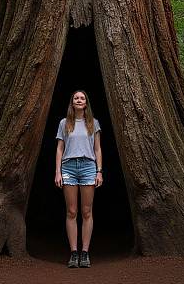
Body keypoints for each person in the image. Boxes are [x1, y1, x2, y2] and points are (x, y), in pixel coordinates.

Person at [55, 90, 103, 268]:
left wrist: (99, 171)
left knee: (87, 211)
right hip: (68, 167)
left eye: (82, 98)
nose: (79, 100)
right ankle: (73, 253)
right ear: (72, 102)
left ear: (86, 102)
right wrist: (57, 172)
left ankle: (85, 253)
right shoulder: (64, 123)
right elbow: (60, 148)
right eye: (76, 98)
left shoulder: (93, 123)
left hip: (88, 167)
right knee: (72, 211)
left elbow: (97, 149)